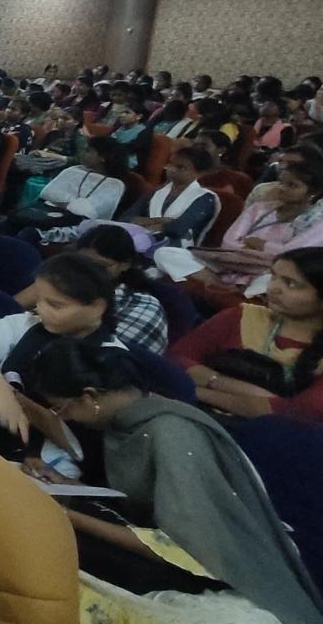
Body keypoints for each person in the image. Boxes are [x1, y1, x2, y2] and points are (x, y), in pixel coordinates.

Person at [24, 339, 323, 624]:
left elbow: (184, 548)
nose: (63, 418)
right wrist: (66, 486)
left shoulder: (170, 433)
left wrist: (66, 515)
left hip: (210, 564)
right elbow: (140, 502)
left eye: (60, 409)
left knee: (58, 541)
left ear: (90, 396)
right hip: (169, 540)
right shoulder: (131, 420)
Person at [0, 253, 131, 476]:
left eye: (56, 305)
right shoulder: (29, 326)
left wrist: (13, 396)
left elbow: (82, 445)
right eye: (39, 300)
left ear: (97, 307)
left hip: (54, 463)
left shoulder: (111, 363)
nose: (41, 310)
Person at [168, 247, 323, 421]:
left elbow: (295, 413)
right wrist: (222, 383)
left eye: (291, 284)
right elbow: (177, 358)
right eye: (273, 277)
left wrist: (197, 390)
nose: (273, 288)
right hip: (191, 412)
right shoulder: (241, 317)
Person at [154, 161, 323, 299]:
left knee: (272, 282)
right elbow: (228, 242)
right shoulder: (259, 209)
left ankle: (236, 289)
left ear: (313, 193)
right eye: (281, 182)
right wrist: (256, 250)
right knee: (165, 253)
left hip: (267, 270)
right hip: (231, 262)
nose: (282, 188)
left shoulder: (317, 223)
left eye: (292, 185)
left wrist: (261, 244)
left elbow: (292, 255)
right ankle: (217, 284)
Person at [18, 226, 167, 356]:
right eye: (81, 262)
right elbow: (13, 308)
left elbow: (87, 357)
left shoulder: (142, 305)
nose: (87, 271)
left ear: (125, 264)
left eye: (100, 266)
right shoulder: (67, 285)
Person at [0, 136, 127, 245]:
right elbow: (49, 193)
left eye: (89, 151)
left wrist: (69, 204)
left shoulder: (115, 185)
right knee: (8, 223)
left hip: (79, 225)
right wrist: (70, 204)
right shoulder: (75, 170)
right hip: (50, 213)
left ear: (103, 157)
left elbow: (91, 211)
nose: (83, 153)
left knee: (29, 233)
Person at [118, 146, 219, 250]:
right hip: (141, 239)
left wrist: (146, 223)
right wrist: (162, 220)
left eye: (181, 167)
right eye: (170, 163)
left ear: (200, 173)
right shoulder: (155, 191)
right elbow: (125, 218)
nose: (172, 169)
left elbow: (178, 229)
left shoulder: (205, 198)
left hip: (175, 249)